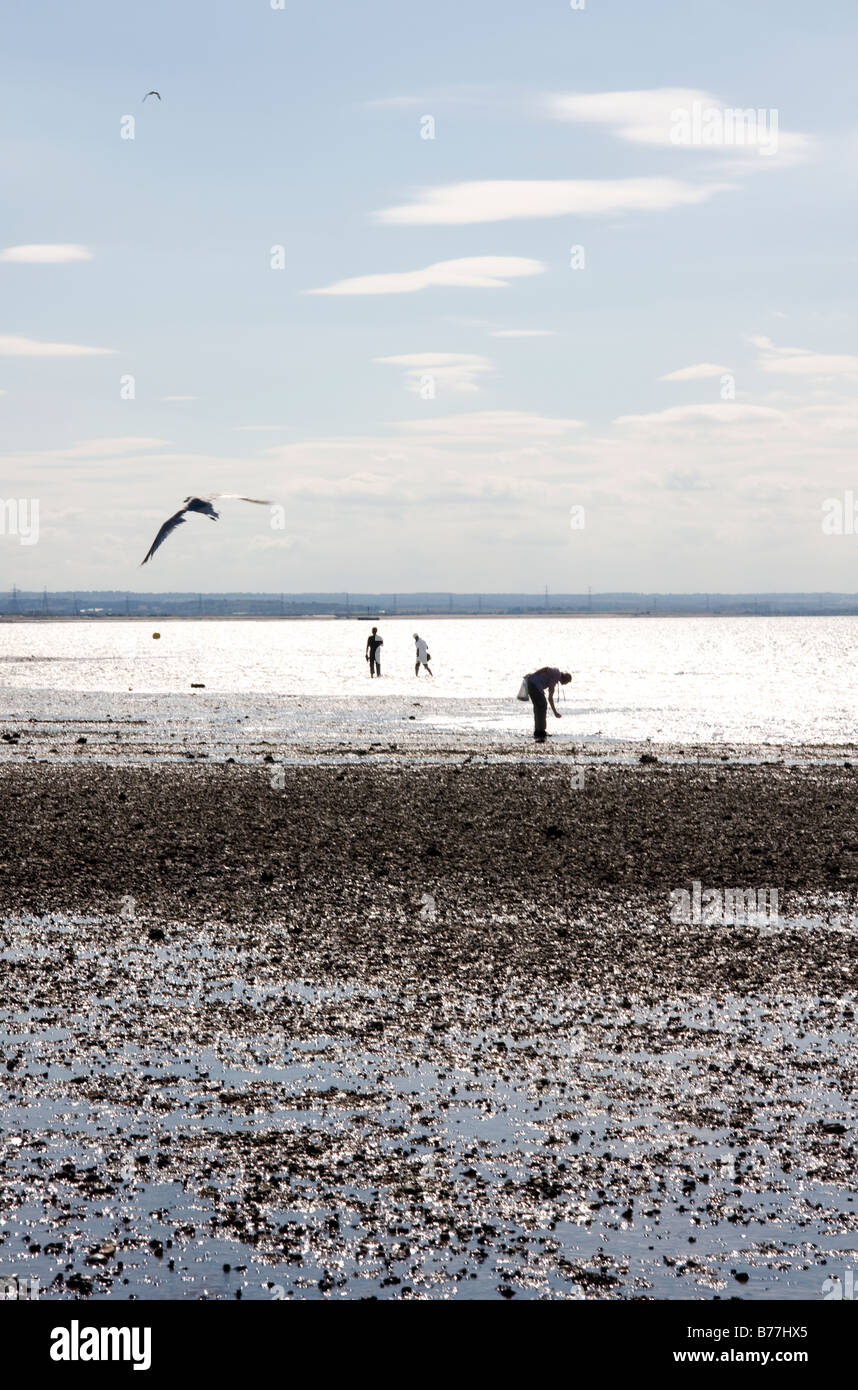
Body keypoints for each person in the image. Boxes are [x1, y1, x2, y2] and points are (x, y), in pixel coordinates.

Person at [523, 666, 572, 742]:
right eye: (567, 682)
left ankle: (538, 730)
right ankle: (541, 731)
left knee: (538, 707)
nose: (565, 684)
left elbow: (550, 698)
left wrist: (555, 712)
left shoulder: (555, 680)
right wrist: (533, 674)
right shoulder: (556, 673)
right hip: (534, 684)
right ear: (565, 679)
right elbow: (545, 668)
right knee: (542, 706)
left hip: (530, 683)